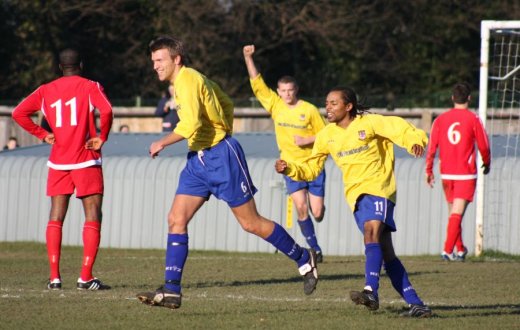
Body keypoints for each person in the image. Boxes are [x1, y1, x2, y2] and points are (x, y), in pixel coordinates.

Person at [136, 36, 318, 310]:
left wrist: (163, 141)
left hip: (221, 157)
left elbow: (192, 122)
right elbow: (226, 102)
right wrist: (222, 129)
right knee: (176, 218)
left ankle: (304, 258)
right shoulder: (188, 82)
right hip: (198, 160)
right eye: (153, 61)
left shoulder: (188, 80)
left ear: (177, 59)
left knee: (251, 223)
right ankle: (172, 289)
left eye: (160, 60)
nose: (155, 66)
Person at [275, 87, 433, 317]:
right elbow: (311, 168)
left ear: (348, 106)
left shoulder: (369, 123)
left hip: (379, 188)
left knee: (370, 234)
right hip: (356, 197)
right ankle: (417, 304)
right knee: (387, 253)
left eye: (333, 103)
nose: (327, 107)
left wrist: (414, 141)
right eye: (327, 103)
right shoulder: (327, 135)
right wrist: (290, 168)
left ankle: (370, 291)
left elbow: (400, 128)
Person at [11, 48, 113, 291]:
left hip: (58, 161)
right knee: (93, 214)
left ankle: (55, 278)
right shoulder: (91, 86)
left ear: (60, 67)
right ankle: (85, 277)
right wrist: (102, 136)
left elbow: (18, 113)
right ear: (81, 64)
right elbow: (107, 110)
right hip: (85, 159)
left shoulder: (46, 90)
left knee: (56, 216)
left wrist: (42, 134)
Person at [243, 45, 326, 262]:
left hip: (314, 166)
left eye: (290, 90)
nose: (287, 94)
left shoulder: (308, 110)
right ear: (278, 92)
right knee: (301, 207)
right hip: (291, 167)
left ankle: (319, 212)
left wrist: (308, 139)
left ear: (295, 90)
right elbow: (257, 84)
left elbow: (327, 134)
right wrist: (248, 57)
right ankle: (315, 249)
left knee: (317, 213)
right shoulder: (275, 105)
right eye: (283, 91)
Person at [425, 82, 491, 261]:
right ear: (469, 98)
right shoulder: (474, 119)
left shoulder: (440, 120)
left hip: (446, 174)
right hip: (465, 174)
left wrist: (429, 169)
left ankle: (460, 249)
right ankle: (447, 250)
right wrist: (487, 162)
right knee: (457, 213)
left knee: (454, 213)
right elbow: (484, 145)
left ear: (452, 98)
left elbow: (432, 147)